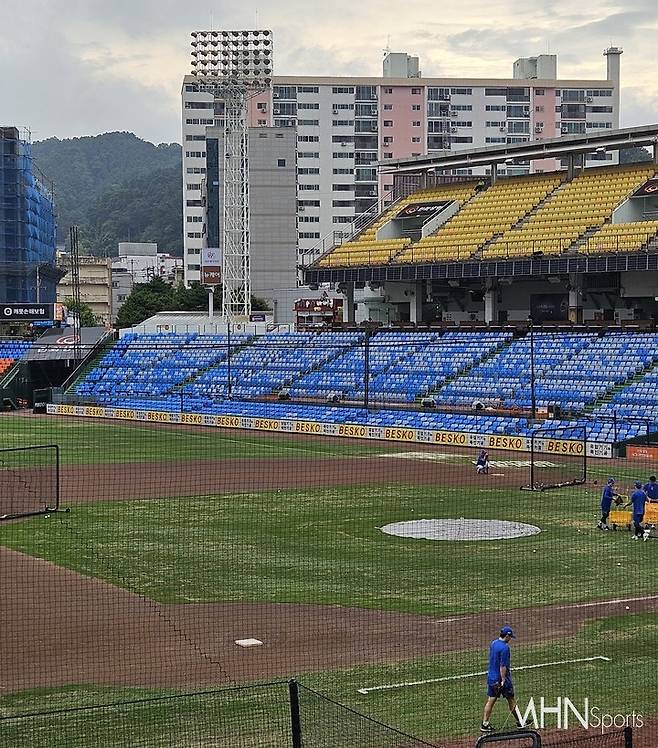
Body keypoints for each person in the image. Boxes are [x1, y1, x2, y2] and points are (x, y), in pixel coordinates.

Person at [481, 626, 523, 733]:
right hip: (500, 679)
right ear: (507, 636)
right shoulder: (505, 648)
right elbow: (503, 666)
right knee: (511, 699)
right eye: (510, 637)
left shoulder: (494, 643)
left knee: (490, 701)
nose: (510, 639)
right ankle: (520, 722)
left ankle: (484, 724)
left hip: (491, 677)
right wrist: (503, 680)